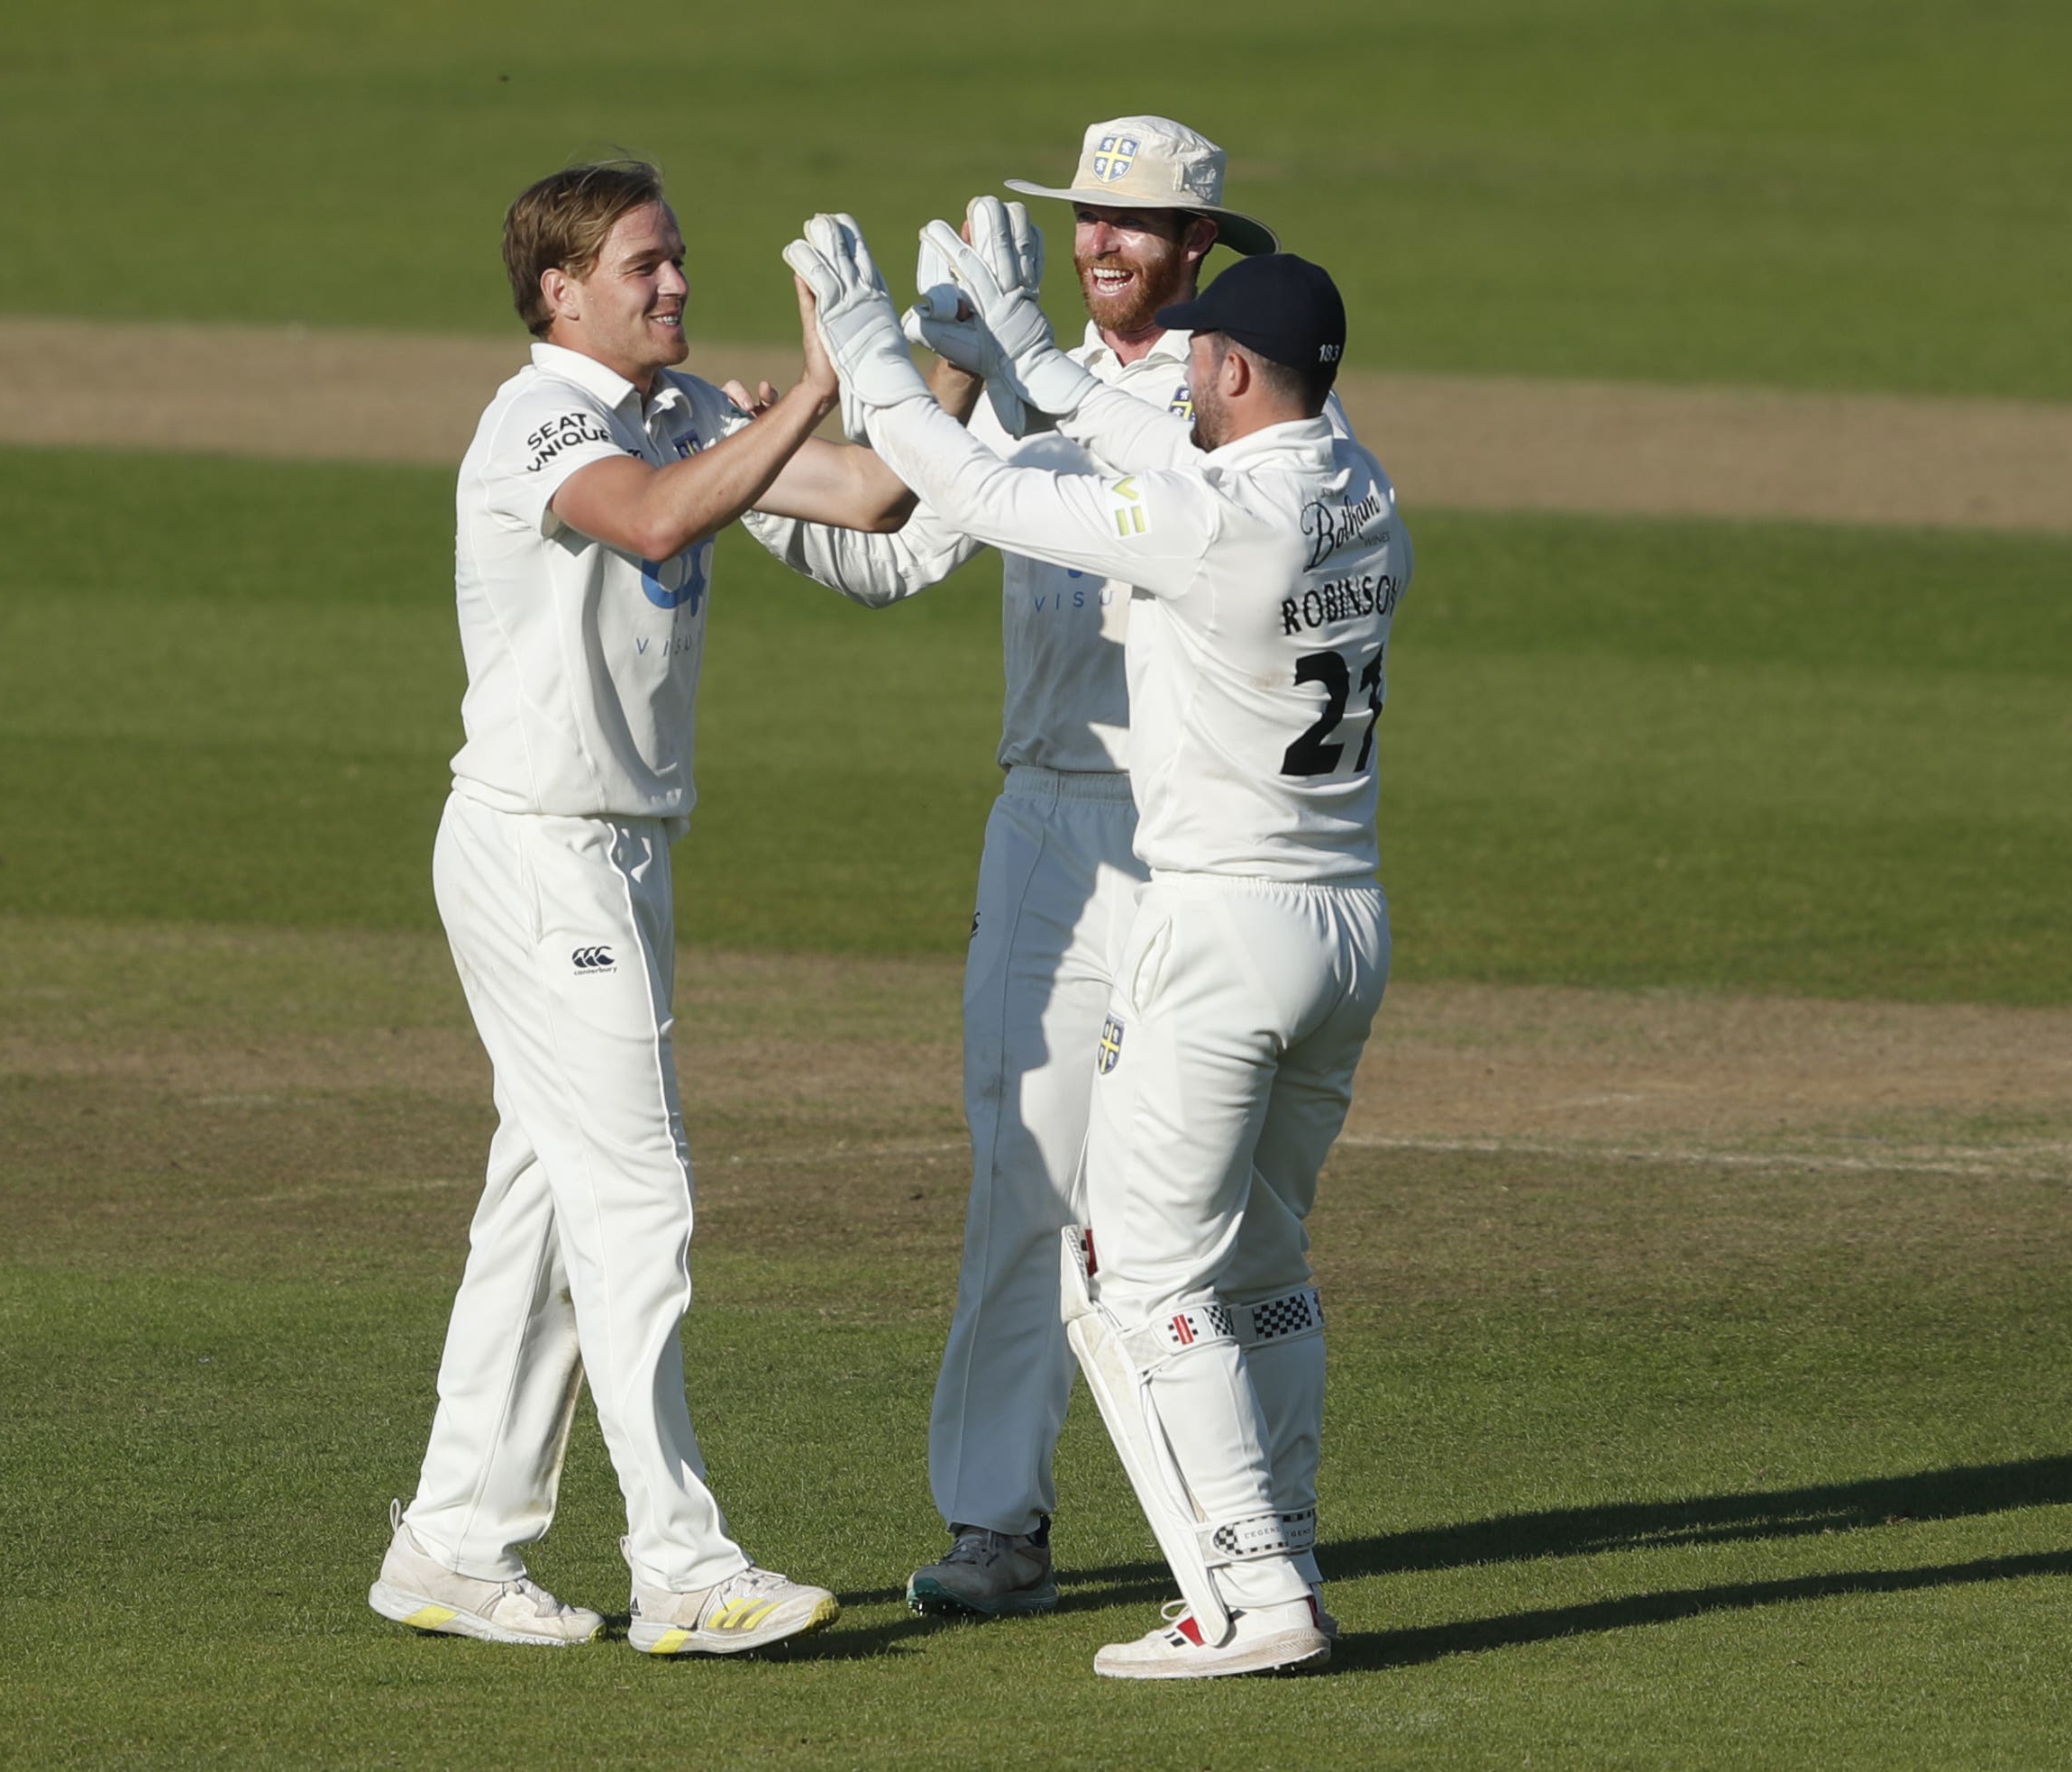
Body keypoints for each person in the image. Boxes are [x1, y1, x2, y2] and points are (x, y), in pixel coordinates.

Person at [787, 220, 1409, 1677]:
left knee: (1133, 1276)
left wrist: (874, 340)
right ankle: (1290, 1544)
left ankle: (1250, 1593)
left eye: (1198, 358)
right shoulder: (1358, 478)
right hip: (1345, 922)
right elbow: (1150, 433)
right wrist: (1027, 350)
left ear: (1237, 369)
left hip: (1218, 925)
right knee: (1260, 1258)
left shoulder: (1210, 521)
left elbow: (968, 486)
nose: (1177, 373)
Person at [368, 160, 919, 1658]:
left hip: (620, 852)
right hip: (540, 849)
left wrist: (951, 366)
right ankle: (682, 1562)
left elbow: (872, 494)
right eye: (644, 267)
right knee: (636, 1198)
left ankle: (453, 1541)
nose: (675, 285)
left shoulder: (676, 411)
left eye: (677, 260)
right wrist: (806, 391)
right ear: (560, 291)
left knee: (544, 1204)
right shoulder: (536, 416)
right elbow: (659, 525)